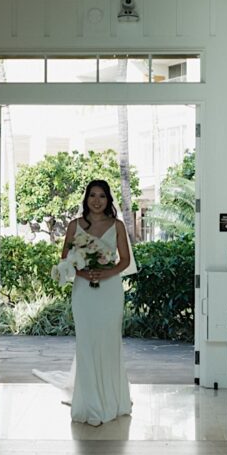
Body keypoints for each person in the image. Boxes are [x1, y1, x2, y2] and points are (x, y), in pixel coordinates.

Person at [34, 180, 135, 426]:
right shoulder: (74, 226)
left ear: (108, 200)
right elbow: (65, 261)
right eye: (92, 195)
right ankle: (89, 403)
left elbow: (125, 261)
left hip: (110, 290)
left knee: (109, 343)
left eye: (102, 196)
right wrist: (84, 273)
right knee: (87, 344)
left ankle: (112, 401)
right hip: (84, 293)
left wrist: (105, 273)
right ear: (86, 198)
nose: (96, 200)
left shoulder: (117, 226)